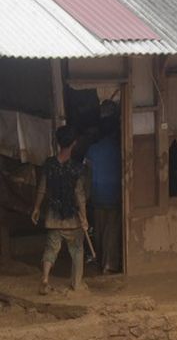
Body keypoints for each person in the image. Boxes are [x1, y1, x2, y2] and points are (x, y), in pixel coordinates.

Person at [31, 126, 87, 295]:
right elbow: (80, 195)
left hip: (53, 217)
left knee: (50, 249)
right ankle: (77, 284)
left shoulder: (49, 164)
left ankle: (45, 279)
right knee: (77, 250)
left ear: (58, 142)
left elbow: (42, 188)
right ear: (74, 144)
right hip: (72, 219)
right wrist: (84, 218)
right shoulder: (77, 168)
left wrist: (36, 208)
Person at [85, 101, 122, 274]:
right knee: (111, 232)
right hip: (114, 195)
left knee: (99, 231)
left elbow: (88, 173)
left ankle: (100, 262)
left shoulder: (92, 149)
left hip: (97, 195)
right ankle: (110, 264)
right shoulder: (120, 149)